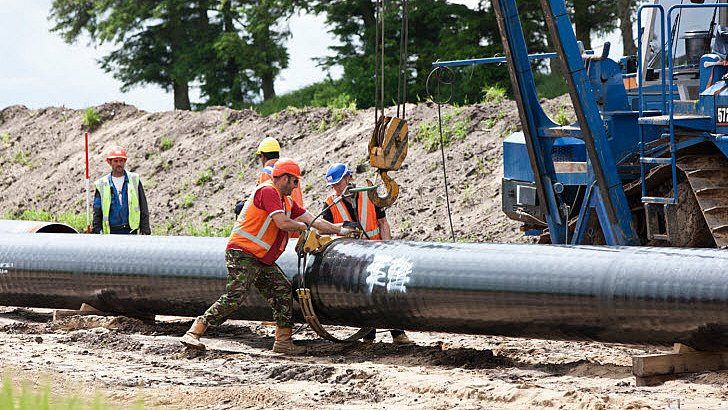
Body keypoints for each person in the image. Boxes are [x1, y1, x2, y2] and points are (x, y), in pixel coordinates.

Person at [181, 158, 352, 354]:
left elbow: (314, 220)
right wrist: (302, 227)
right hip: (243, 254)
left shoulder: (286, 201)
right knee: (235, 296)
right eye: (295, 181)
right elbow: (282, 223)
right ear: (285, 179)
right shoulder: (268, 191)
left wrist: (340, 230)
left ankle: (283, 342)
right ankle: (194, 331)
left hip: (261, 259)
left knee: (282, 291)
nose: (297, 186)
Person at [321, 162, 413, 345]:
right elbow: (322, 230)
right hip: (354, 260)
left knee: (384, 292)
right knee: (363, 297)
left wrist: (387, 247)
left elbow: (383, 223)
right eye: (333, 185)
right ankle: (369, 336)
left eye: (338, 183)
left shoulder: (368, 195)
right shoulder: (330, 204)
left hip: (377, 253)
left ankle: (398, 333)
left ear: (349, 178)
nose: (336, 189)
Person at [234, 137, 304, 218]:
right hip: (299, 217)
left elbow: (264, 200)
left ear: (263, 156)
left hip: (282, 220)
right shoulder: (290, 173)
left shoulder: (266, 173)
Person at [92, 146, 151, 235]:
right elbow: (97, 211)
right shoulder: (102, 184)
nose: (119, 164)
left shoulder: (134, 179)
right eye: (116, 161)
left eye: (121, 161)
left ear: (125, 162)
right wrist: (97, 231)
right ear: (109, 162)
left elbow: (143, 206)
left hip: (131, 231)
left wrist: (145, 229)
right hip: (111, 233)